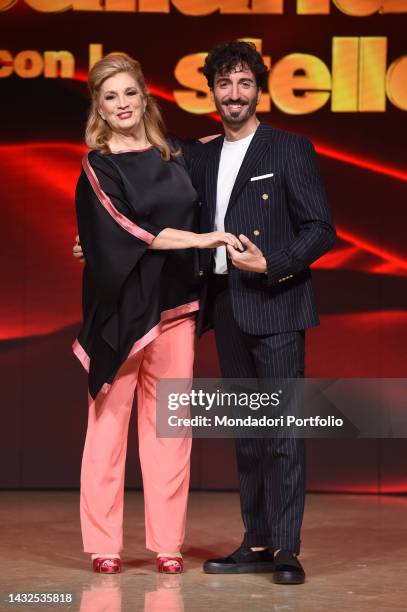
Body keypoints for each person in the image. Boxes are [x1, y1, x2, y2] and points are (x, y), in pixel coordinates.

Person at [73, 52, 242, 575]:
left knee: (171, 430)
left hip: (177, 307)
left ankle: (167, 545)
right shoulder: (99, 165)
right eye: (110, 97)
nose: (122, 104)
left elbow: (216, 159)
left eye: (129, 93)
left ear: (144, 96)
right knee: (106, 430)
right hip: (123, 315)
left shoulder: (176, 155)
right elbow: (127, 232)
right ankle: (105, 545)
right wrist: (203, 238)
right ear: (98, 109)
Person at [184, 41, 336, 584]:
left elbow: (321, 228)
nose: (234, 93)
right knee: (248, 432)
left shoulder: (288, 148)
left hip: (277, 304)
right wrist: (97, 238)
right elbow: (149, 192)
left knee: (282, 432)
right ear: (212, 91)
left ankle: (288, 550)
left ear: (258, 90)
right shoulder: (199, 155)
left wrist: (274, 262)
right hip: (225, 306)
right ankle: (258, 540)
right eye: (224, 84)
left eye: (244, 83)